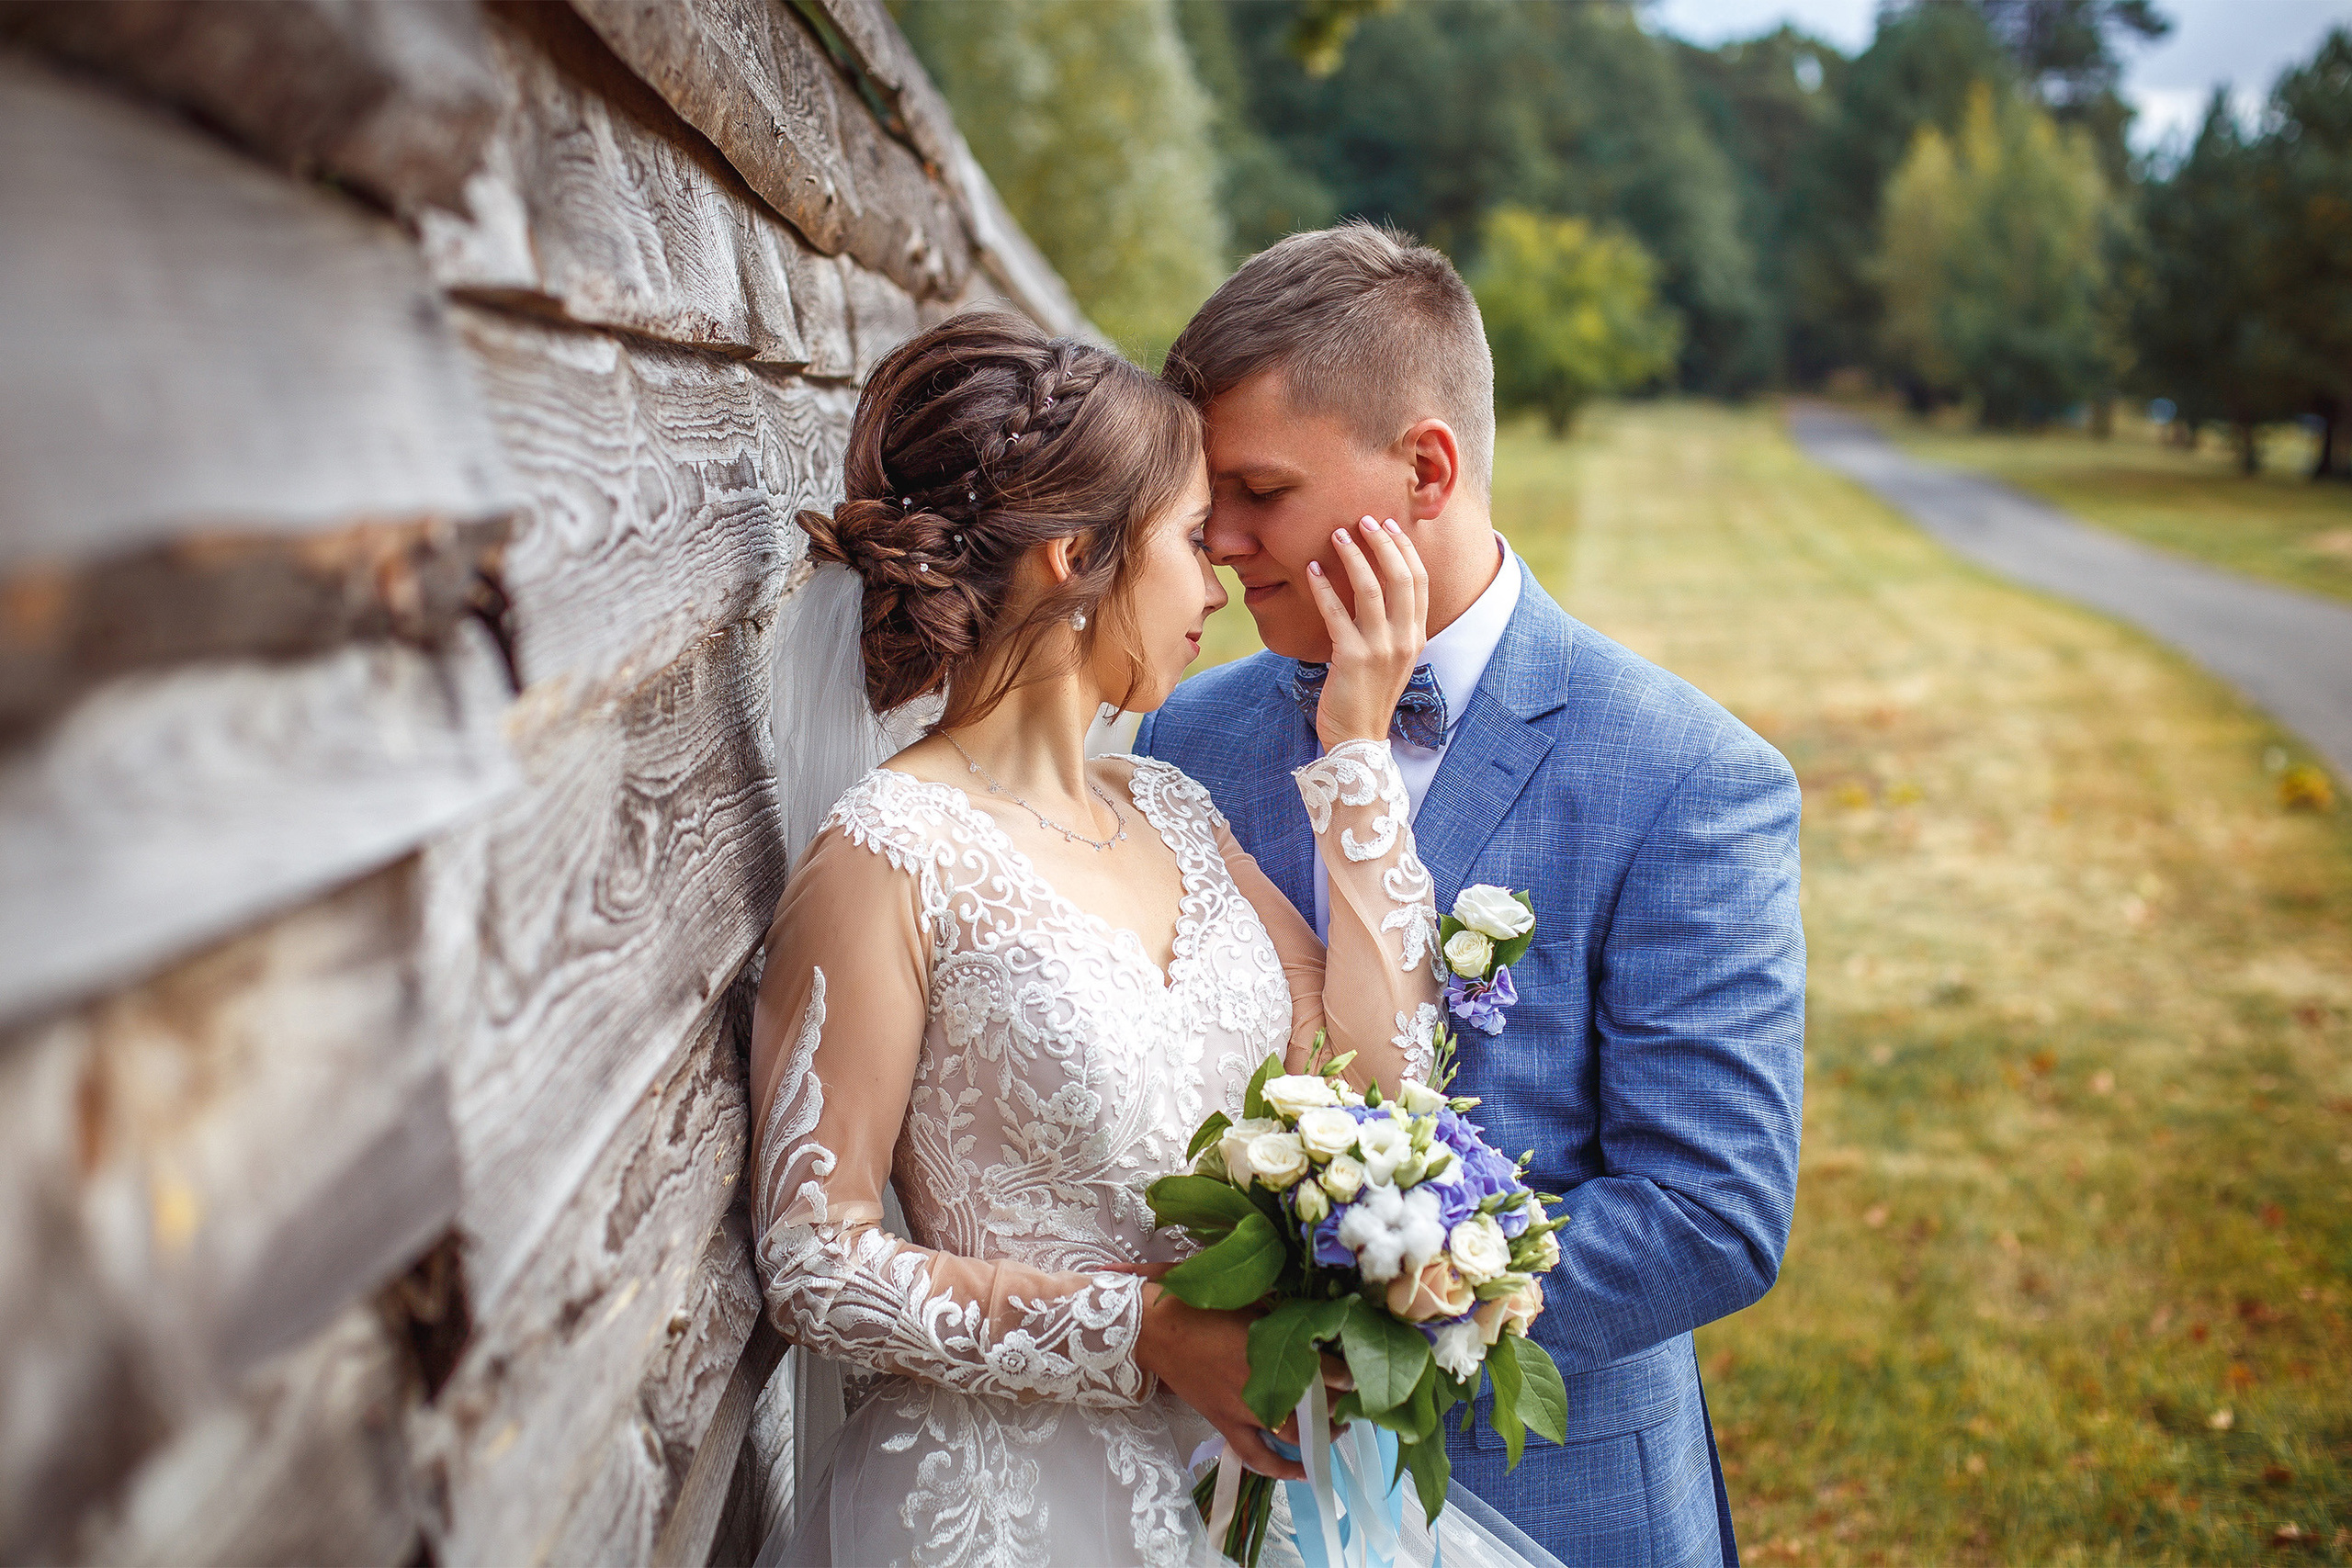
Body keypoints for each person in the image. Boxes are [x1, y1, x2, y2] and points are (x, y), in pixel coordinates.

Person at [1137, 221, 1807, 1567]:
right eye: (1209, 498)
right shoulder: (1182, 744)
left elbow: (1709, 1213)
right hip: (1216, 1486)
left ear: (1427, 468)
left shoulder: (1689, 778)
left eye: (1258, 488)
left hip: (1552, 1501)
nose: (1218, 539)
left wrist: (1366, 1306)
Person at [748, 310, 1456, 1567]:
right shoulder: (888, 853)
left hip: (1241, 1500)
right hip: (1004, 1513)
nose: (1219, 583)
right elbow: (812, 1260)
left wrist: (1358, 753)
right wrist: (1139, 1329)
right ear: (1076, 559)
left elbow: (1382, 1091)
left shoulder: (1176, 813)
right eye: (1191, 540)